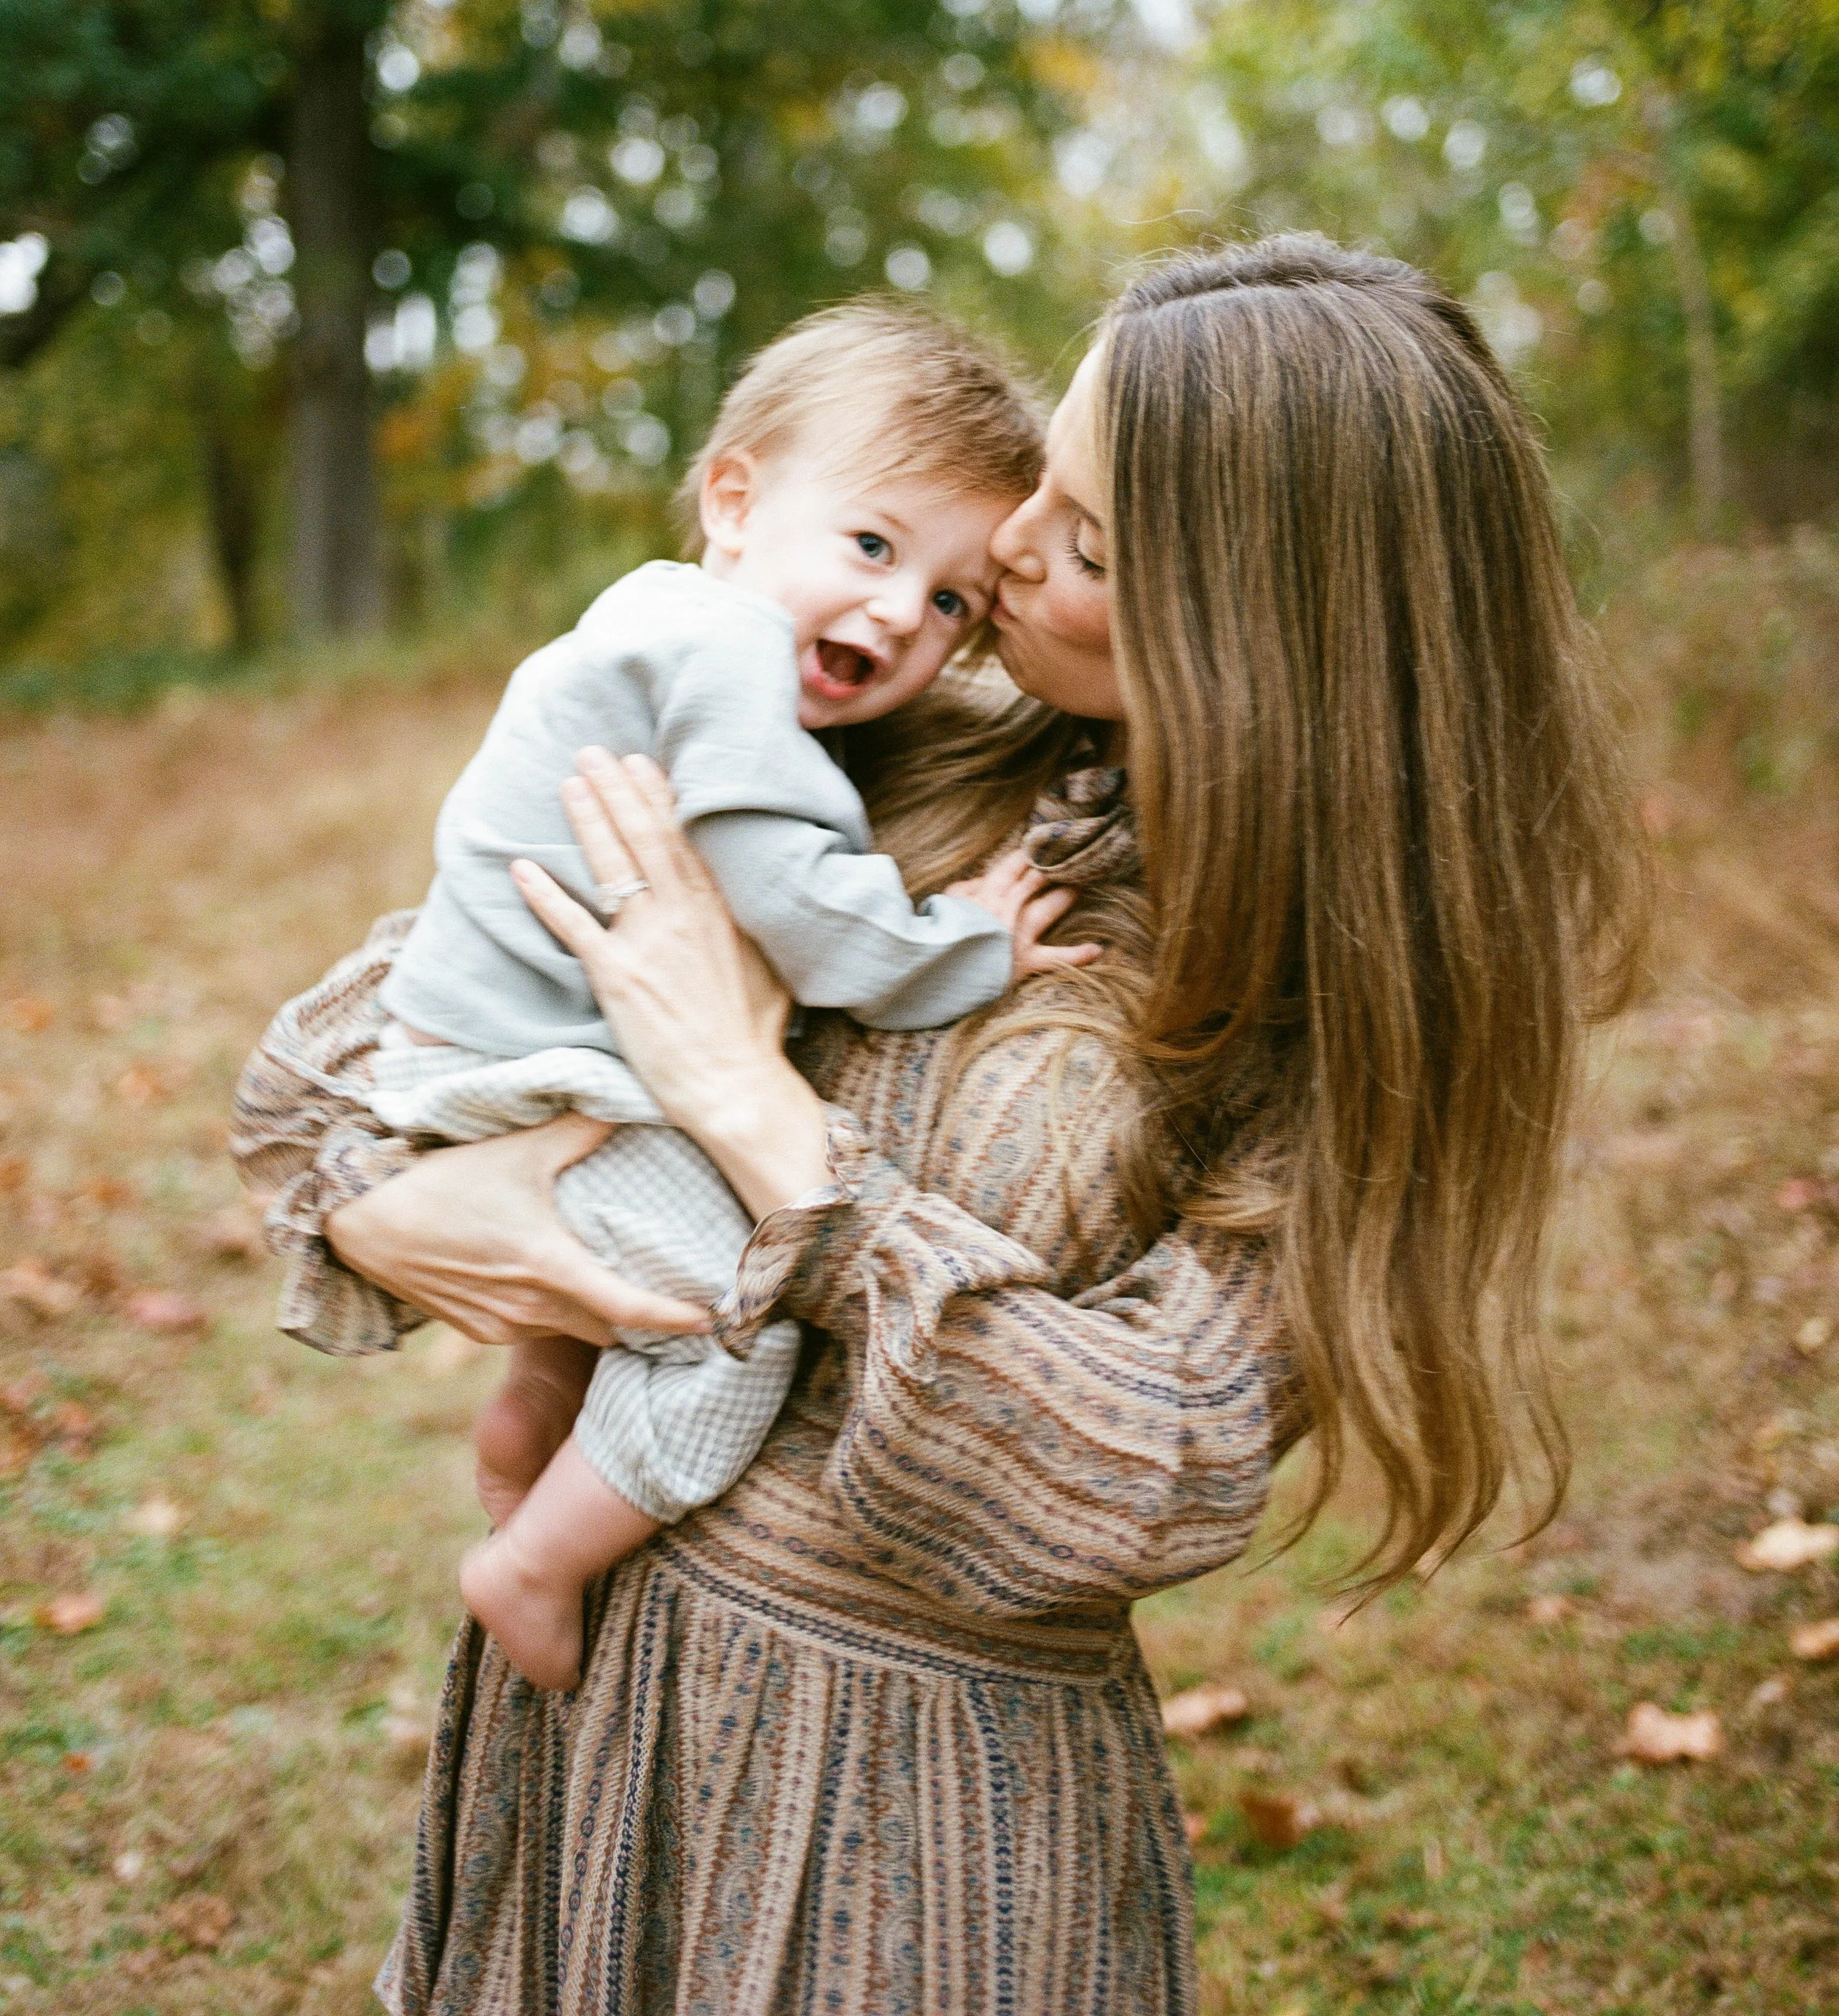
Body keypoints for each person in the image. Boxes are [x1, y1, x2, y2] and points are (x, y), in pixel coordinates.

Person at [232, 238, 1646, 2015]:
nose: (1007, 557)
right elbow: (329, 1060)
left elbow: (1152, 1466)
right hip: (599, 1704)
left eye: (1087, 542)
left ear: (1262, 618)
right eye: (1038, 493)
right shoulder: (907, 746)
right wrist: (390, 1205)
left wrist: (772, 1134)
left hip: (910, 1809)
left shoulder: (1342, 998)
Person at [345, 302, 1097, 1689]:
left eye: (950, 603)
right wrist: (968, 944)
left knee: (634, 1271)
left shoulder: (652, 626)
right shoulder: (727, 664)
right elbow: (803, 913)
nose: (897, 611)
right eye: (872, 544)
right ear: (736, 501)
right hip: (533, 1077)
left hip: (482, 1052)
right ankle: (533, 1561)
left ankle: (534, 1418)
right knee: (727, 1326)